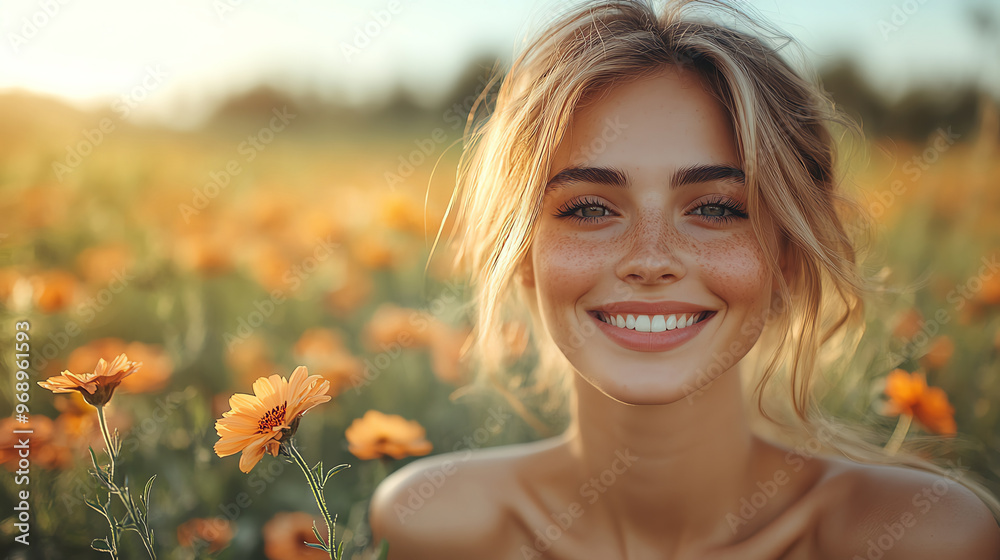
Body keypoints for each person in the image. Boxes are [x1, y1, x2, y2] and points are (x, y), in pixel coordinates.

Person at [369, 1, 1000, 557]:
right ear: (525, 252)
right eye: (589, 208)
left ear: (786, 256)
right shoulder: (435, 527)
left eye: (717, 208)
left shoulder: (923, 538)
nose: (651, 258)